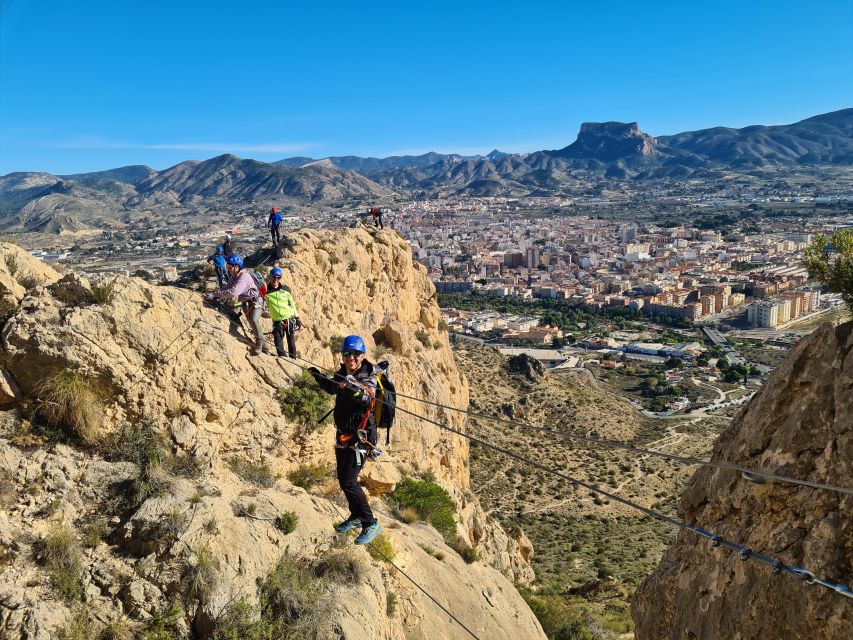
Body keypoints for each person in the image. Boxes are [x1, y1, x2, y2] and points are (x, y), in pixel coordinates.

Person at [309, 336, 382, 545]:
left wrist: (353, 388)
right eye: (347, 354)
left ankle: (370, 523)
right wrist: (317, 376)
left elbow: (366, 396)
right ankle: (356, 515)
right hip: (344, 434)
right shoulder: (343, 373)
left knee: (349, 480)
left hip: (360, 438)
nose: (351, 358)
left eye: (355, 355)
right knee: (343, 479)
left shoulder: (368, 374)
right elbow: (332, 387)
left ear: (363, 356)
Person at [204, 254, 271, 355]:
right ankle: (266, 348)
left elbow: (233, 292)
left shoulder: (244, 277)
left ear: (236, 266)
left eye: (229, 266)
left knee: (253, 319)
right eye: (228, 266)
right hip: (247, 304)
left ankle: (259, 345)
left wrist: (215, 295)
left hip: (256, 301)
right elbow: (227, 287)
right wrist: (214, 295)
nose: (228, 269)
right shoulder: (234, 276)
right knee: (252, 324)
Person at [265, 267, 300, 358]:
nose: (276, 279)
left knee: (291, 342)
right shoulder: (266, 292)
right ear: (270, 277)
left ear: (280, 278)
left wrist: (297, 318)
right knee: (278, 342)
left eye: (278, 277)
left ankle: (293, 361)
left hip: (288, 318)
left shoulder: (286, 290)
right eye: (274, 277)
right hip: (277, 320)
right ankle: (283, 360)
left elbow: (292, 304)